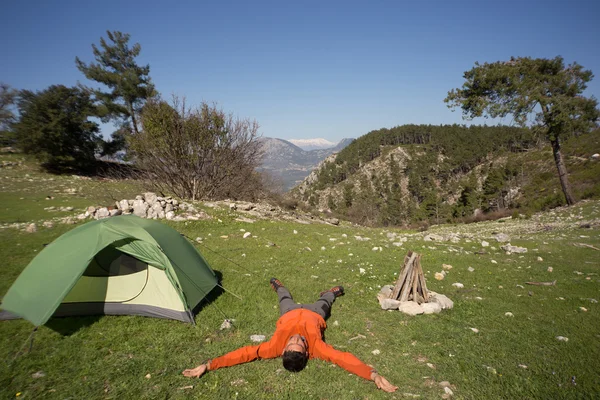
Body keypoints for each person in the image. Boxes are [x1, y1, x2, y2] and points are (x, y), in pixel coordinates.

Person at [183, 278, 398, 393]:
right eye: (299, 344)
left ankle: (279, 286)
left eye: (291, 344)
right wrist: (373, 375)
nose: (295, 339)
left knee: (283, 297)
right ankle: (330, 292)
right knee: (326, 302)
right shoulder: (318, 349)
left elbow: (244, 354)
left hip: (290, 312)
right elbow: (343, 359)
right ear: (306, 353)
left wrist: (210, 365)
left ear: (284, 351)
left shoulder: (273, 348)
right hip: (315, 313)